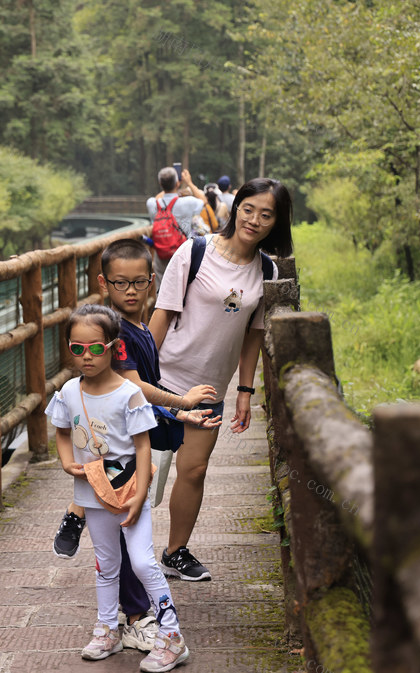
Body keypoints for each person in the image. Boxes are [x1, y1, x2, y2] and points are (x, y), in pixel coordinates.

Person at [50, 240, 219, 652]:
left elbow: (134, 399)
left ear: (152, 282)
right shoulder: (115, 335)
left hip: (128, 464)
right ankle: (133, 617)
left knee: (128, 552)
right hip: (106, 466)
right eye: (120, 283)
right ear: (104, 283)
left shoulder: (138, 328)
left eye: (139, 282)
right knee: (120, 556)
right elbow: (134, 386)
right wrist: (181, 402)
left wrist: (178, 416)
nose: (130, 290)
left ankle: (143, 622)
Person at [149, 178, 294, 582]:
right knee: (139, 471)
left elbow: (253, 334)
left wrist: (245, 391)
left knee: (193, 470)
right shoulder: (195, 251)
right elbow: (161, 314)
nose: (255, 220)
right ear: (237, 207)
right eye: (249, 209)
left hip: (210, 388)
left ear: (277, 222)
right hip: (164, 377)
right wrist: (138, 379)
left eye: (266, 215)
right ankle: (124, 551)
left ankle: (175, 551)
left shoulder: (266, 269)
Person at [46, 304, 191, 672]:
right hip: (92, 493)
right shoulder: (67, 391)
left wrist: (141, 494)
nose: (87, 356)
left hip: (128, 491)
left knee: (142, 561)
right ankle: (108, 628)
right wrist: (67, 462)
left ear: (113, 346)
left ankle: (172, 637)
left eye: (95, 347)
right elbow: (62, 433)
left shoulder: (129, 394)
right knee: (106, 563)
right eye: (77, 349)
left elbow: (144, 446)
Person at [146, 167, 207, 280]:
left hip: (161, 254)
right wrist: (189, 182)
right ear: (177, 183)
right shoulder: (189, 202)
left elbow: (159, 197)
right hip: (183, 253)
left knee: (162, 288)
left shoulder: (151, 203)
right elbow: (203, 200)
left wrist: (167, 184)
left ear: (160, 184)